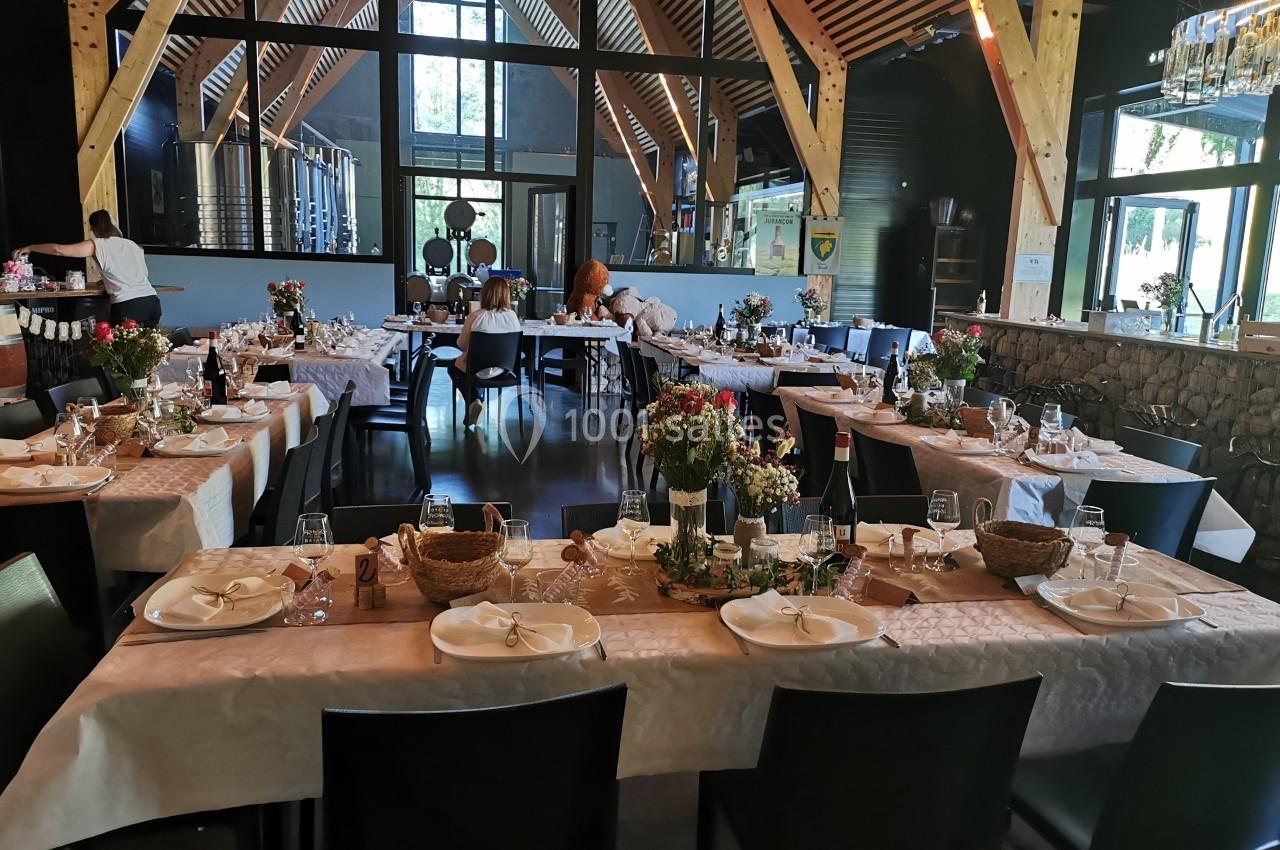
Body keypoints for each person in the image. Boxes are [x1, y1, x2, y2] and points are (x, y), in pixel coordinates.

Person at [12, 209, 161, 327]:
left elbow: (59, 250)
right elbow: (143, 274)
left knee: (122, 359)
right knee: (148, 355)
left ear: (93, 228)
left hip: (128, 306)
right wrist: (108, 280)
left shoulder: (98, 244)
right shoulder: (132, 245)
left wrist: (31, 247)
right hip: (152, 302)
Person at [450, 276, 521, 427]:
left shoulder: (476, 316)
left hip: (477, 371)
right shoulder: (513, 317)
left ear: (484, 294)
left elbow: (461, 345)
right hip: (504, 371)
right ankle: (477, 400)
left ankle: (475, 400)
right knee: (476, 367)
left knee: (454, 368)